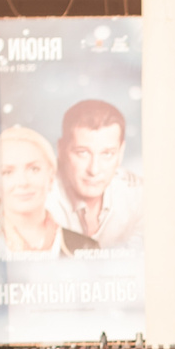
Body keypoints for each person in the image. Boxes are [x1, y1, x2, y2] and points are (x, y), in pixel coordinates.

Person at [0, 125, 86, 257]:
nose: (23, 182)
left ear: (51, 177)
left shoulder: (85, 246)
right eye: (8, 172)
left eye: (34, 169)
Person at [48, 98, 144, 250]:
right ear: (61, 150)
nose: (94, 170)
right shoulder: (37, 198)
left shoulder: (139, 197)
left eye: (107, 154)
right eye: (83, 153)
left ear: (121, 153)